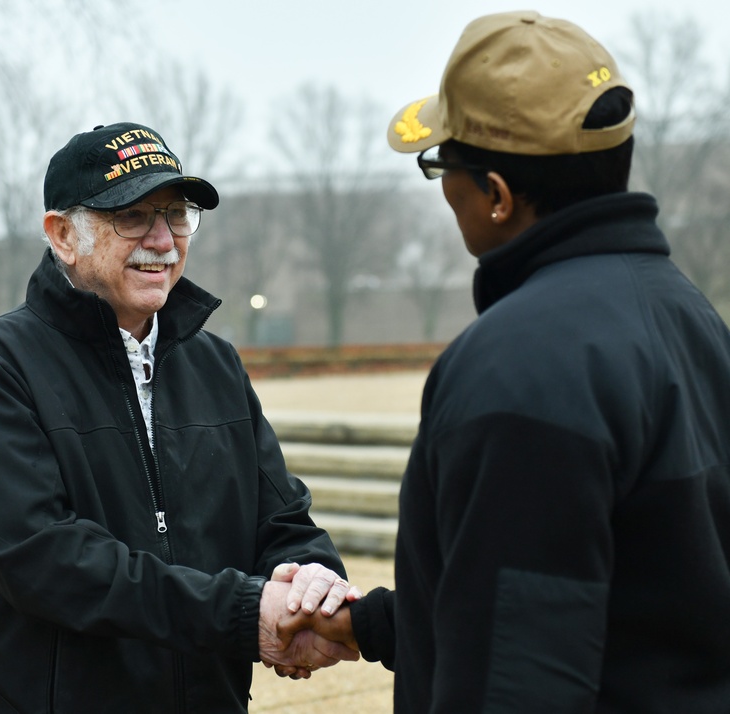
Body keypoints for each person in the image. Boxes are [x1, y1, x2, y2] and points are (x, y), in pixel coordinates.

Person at [277, 11, 730, 712]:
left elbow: (517, 674)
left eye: (441, 168)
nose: (445, 191)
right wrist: (367, 625)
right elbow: (620, 589)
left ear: (496, 195)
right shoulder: (688, 315)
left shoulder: (519, 365)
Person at [0, 121, 361, 713]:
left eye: (177, 214)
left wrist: (311, 585)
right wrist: (240, 613)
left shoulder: (215, 364)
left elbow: (281, 519)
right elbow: (45, 560)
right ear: (62, 235)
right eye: (133, 216)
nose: (162, 240)